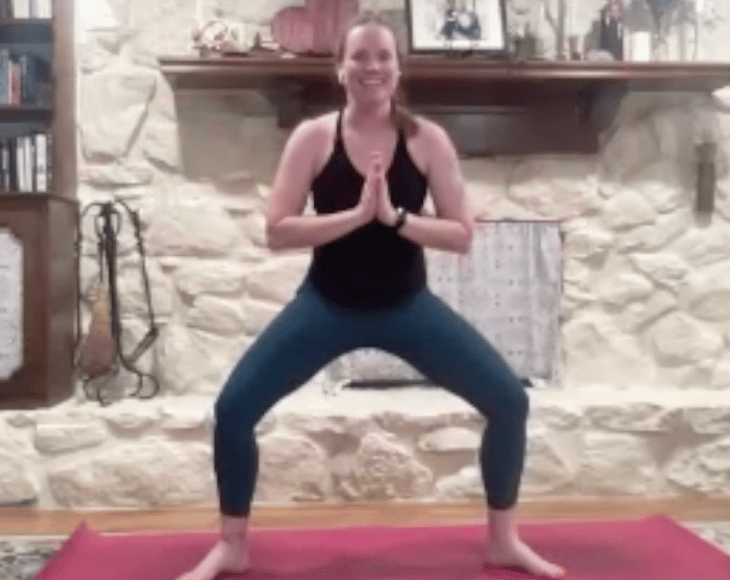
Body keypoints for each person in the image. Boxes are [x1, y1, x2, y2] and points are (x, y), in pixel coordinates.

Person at [175, 10, 565, 580]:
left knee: (509, 402)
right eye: (359, 56)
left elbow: (461, 235)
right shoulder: (314, 138)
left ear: (398, 68)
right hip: (326, 307)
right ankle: (232, 546)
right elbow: (277, 231)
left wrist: (394, 217)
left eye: (383, 56)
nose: (371, 67)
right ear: (340, 68)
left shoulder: (427, 139)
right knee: (233, 410)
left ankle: (503, 541)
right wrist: (357, 215)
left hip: (407, 309)